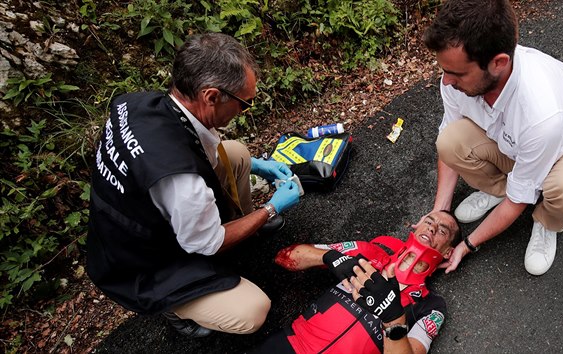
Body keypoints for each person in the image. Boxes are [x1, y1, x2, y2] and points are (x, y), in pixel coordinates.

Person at [86, 33, 301, 338]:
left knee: (237, 153)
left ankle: (241, 227)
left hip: (128, 221)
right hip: (140, 264)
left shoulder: (139, 103)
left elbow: (187, 148)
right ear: (211, 96)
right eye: (245, 103)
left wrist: (256, 164)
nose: (245, 110)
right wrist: (271, 207)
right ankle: (174, 309)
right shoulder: (182, 183)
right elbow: (205, 242)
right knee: (253, 311)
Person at [416, 0, 563, 276]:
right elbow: (449, 138)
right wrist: (438, 215)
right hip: (514, 144)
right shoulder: (457, 79)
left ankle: (547, 219)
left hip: (562, 155)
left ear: (498, 63)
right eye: (444, 70)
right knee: (449, 143)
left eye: (457, 73)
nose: (446, 82)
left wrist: (466, 245)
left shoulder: (542, 111)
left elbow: (519, 200)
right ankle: (500, 191)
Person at [252, 210, 461, 354]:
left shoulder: (432, 307)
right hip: (290, 345)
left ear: (448, 252)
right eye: (429, 222)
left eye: (443, 231)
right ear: (416, 228)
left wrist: (394, 321)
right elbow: (286, 257)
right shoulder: (367, 252)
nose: (432, 229)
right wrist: (328, 257)